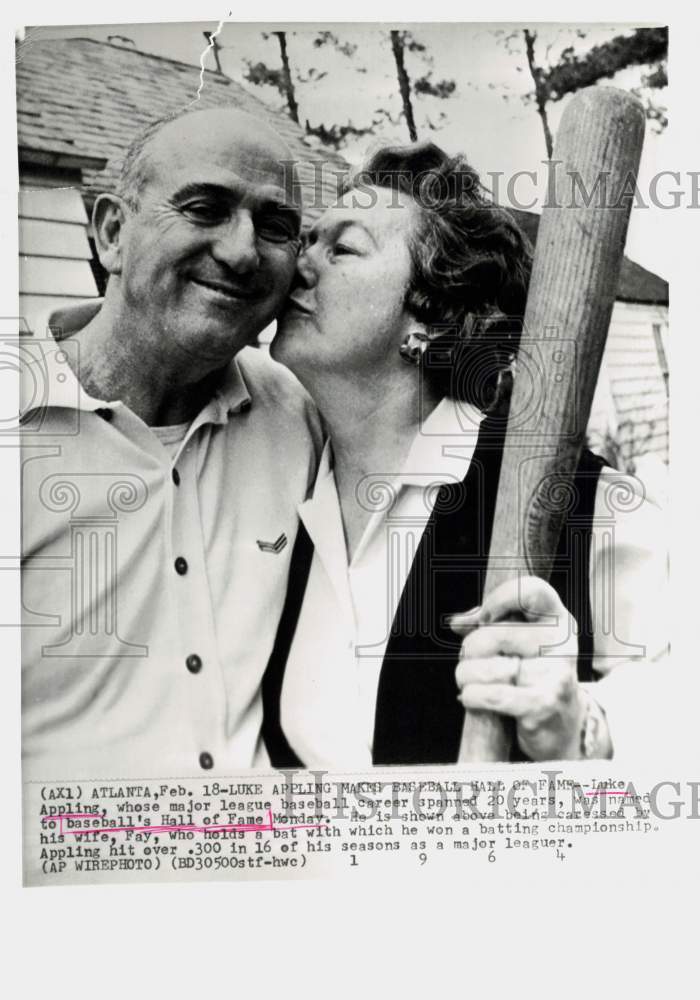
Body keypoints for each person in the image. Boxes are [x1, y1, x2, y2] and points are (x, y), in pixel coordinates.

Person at [263, 141, 668, 768]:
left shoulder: (587, 506)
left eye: (341, 248)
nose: (299, 265)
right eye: (306, 241)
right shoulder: (277, 492)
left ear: (430, 317)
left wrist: (584, 728)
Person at [21, 108, 322, 780]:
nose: (243, 250)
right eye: (206, 208)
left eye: (275, 226)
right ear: (111, 233)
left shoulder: (298, 416)